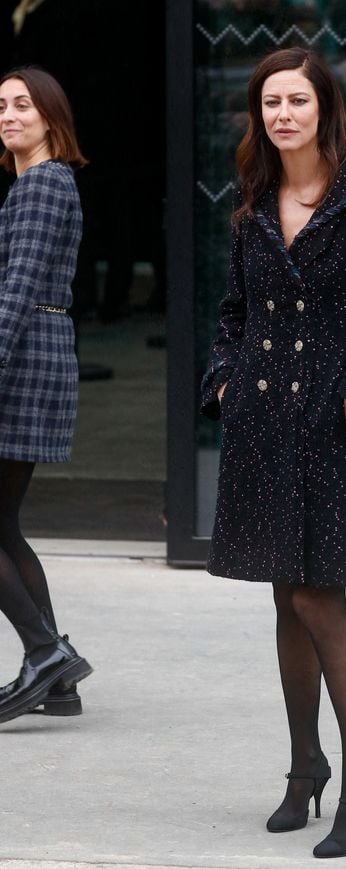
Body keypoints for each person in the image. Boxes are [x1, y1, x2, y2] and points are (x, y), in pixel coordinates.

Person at [201, 47, 346, 858]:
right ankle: (305, 768)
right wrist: (224, 376)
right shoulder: (254, 196)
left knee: (319, 601)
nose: (282, 114)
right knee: (282, 598)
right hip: (261, 424)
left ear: (326, 107)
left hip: (332, 429)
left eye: (297, 99)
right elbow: (233, 310)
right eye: (270, 102)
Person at [0, 67, 93, 724]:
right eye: (1, 105)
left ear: (50, 116)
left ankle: (43, 651)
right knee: (4, 523)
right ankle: (58, 676)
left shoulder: (40, 186)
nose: (8, 115)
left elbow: (15, 292)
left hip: (22, 362)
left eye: (23, 104)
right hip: (37, 356)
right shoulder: (43, 184)